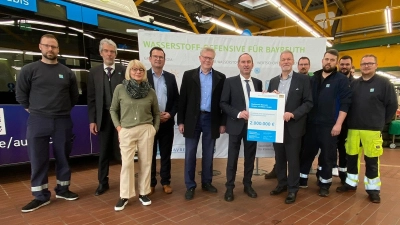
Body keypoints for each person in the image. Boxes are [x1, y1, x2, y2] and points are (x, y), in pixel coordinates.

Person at [16, 34, 79, 213]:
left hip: (62, 120)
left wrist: (61, 111)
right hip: (38, 120)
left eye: (54, 47)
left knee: (63, 157)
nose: (50, 49)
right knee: (38, 158)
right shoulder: (29, 70)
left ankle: (63, 189)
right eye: (47, 46)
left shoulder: (67, 72)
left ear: (58, 50)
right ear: (40, 47)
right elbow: (21, 95)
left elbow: (73, 97)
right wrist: (34, 110)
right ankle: (40, 196)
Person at [336, 54, 397, 203]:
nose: (366, 66)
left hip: (372, 130)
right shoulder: (355, 85)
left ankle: (373, 190)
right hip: (353, 129)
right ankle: (350, 184)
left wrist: (381, 122)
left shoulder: (384, 83)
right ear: (359, 66)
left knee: (371, 160)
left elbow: (392, 106)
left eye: (370, 63)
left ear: (376, 65)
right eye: (364, 64)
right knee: (351, 158)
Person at [299, 49, 351, 197]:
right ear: (322, 60)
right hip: (311, 125)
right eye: (326, 59)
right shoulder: (313, 77)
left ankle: (325, 184)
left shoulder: (341, 80)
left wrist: (338, 124)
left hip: (329, 126)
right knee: (306, 154)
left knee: (328, 156)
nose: (328, 62)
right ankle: (302, 180)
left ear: (336, 62)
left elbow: (345, 104)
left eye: (332, 60)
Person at [110, 60, 160, 211]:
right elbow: (113, 110)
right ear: (129, 71)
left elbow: (156, 113)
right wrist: (119, 128)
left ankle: (144, 193)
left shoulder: (150, 91)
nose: (138, 72)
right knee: (127, 164)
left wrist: (154, 129)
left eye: (141, 70)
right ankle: (125, 195)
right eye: (134, 69)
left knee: (146, 163)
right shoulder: (120, 89)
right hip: (127, 130)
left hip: (146, 130)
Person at [178, 47, 226, 200]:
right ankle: (190, 185)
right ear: (200, 58)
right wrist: (180, 121)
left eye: (210, 58)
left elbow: (222, 103)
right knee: (190, 153)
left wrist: (222, 122)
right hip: (192, 119)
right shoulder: (188, 75)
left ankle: (206, 182)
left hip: (211, 120)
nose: (207, 60)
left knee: (208, 153)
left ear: (213, 60)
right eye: (205, 57)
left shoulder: (220, 77)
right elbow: (182, 100)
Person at [267, 50, 313, 204]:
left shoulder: (303, 80)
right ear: (279, 63)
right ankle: (282, 184)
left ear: (293, 62)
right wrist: (266, 97)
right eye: (283, 59)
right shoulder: (273, 81)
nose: (286, 62)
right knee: (279, 158)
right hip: (277, 127)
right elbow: (271, 102)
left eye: (288, 59)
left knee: (293, 160)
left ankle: (293, 189)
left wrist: (293, 114)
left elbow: (308, 103)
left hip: (294, 127)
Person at [220, 53, 263, 202]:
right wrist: (238, 113)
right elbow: (223, 103)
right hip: (235, 125)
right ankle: (229, 188)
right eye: (243, 62)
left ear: (252, 64)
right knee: (232, 158)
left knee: (250, 158)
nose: (246, 64)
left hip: (253, 127)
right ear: (238, 65)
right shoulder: (230, 82)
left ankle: (248, 185)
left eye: (248, 62)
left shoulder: (258, 82)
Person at [87, 38, 125, 196]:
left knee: (123, 152)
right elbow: (91, 98)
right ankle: (103, 183)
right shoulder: (93, 72)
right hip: (102, 118)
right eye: (106, 51)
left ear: (115, 54)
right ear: (101, 53)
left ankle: (126, 183)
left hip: (122, 119)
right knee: (103, 153)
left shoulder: (124, 71)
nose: (109, 54)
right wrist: (92, 120)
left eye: (112, 51)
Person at [147, 47, 179, 195]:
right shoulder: (143, 76)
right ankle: (151, 183)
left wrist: (170, 114)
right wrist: (154, 116)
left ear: (164, 60)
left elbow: (176, 100)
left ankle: (165, 182)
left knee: (166, 154)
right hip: (150, 123)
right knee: (150, 154)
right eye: (155, 56)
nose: (158, 59)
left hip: (166, 122)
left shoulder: (171, 78)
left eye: (161, 57)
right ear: (150, 59)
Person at [334, 55, 356, 183]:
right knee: (329, 150)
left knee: (344, 151)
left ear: (351, 66)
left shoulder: (356, 84)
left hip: (349, 124)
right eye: (342, 64)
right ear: (338, 64)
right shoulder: (333, 80)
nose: (344, 67)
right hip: (332, 122)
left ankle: (343, 176)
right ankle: (324, 174)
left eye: (347, 64)